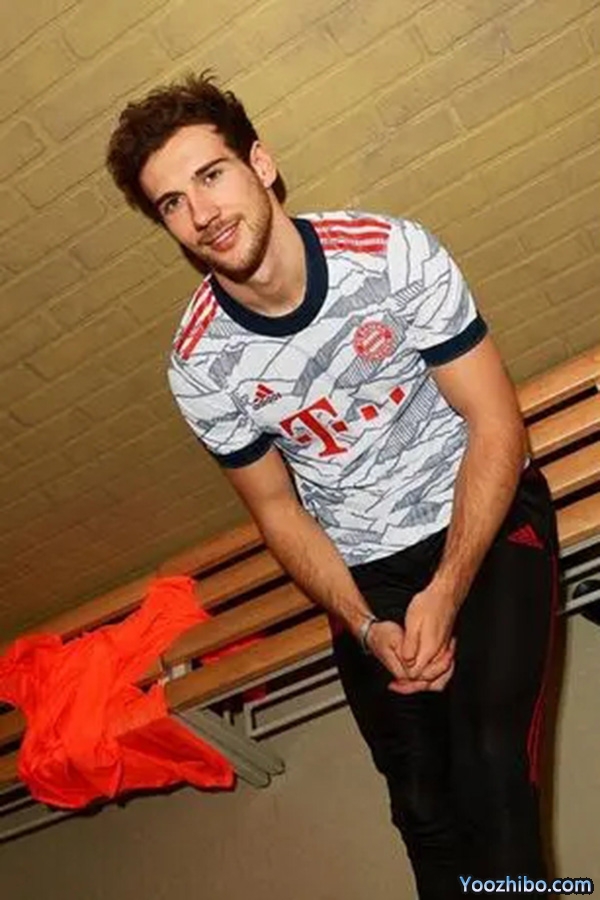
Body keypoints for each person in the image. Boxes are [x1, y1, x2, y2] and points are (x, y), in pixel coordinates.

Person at [106, 73, 559, 898]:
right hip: (365, 569)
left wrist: (446, 590)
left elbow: (497, 425)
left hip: (481, 517)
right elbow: (277, 510)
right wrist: (366, 623)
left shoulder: (388, 254)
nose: (202, 213)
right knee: (422, 807)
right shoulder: (200, 364)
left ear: (261, 164)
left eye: (211, 175)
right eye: (172, 202)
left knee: (493, 766)